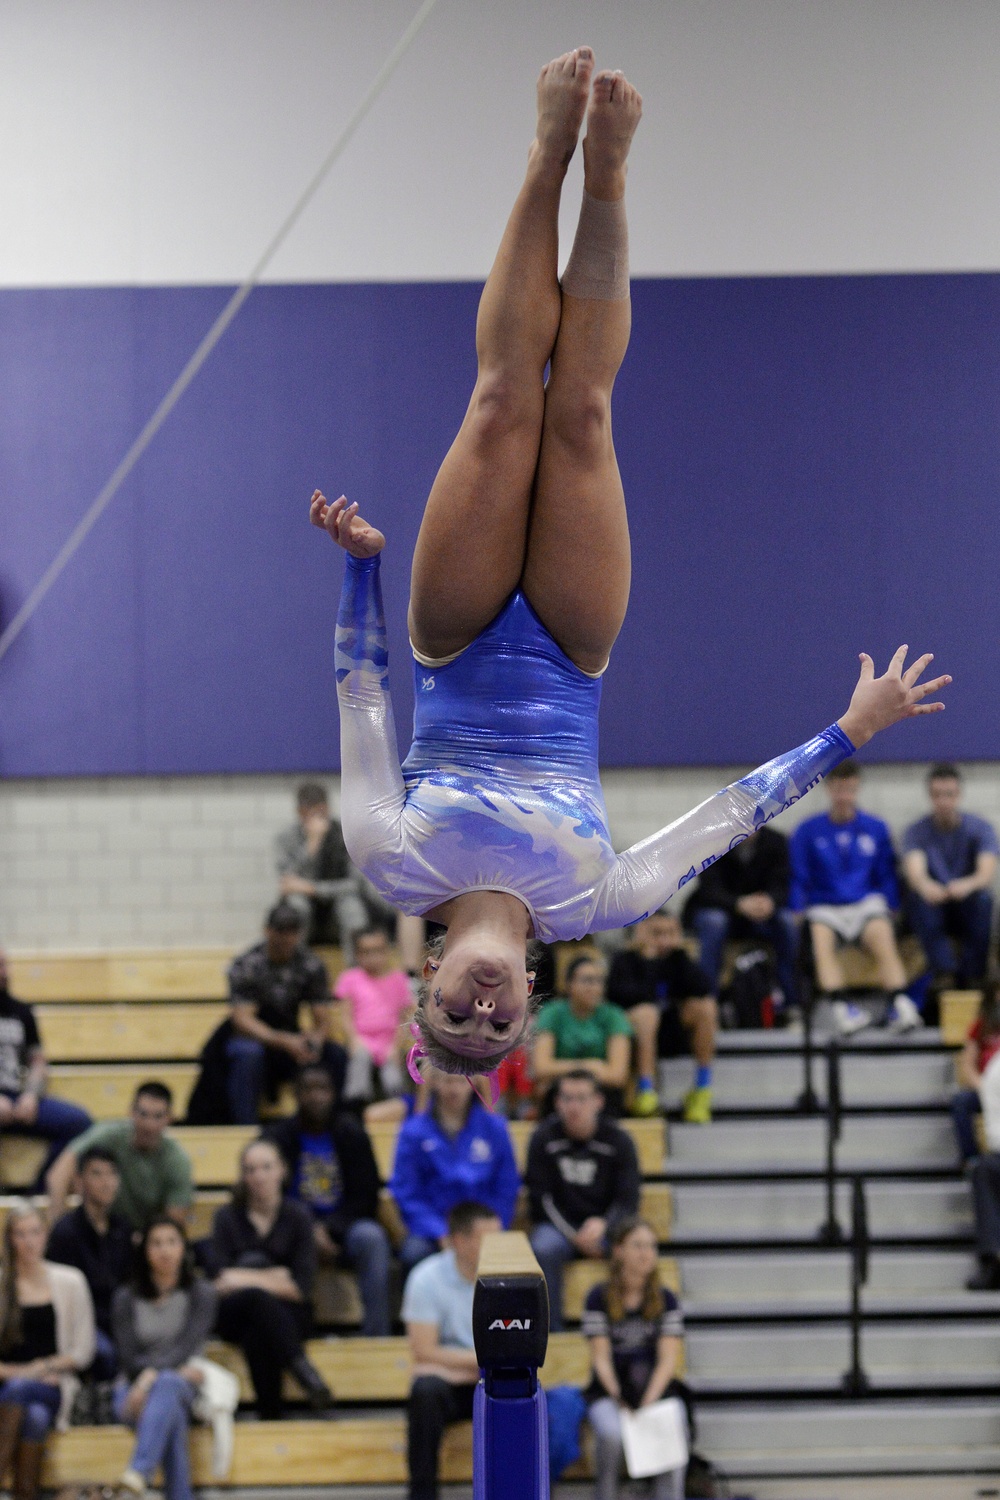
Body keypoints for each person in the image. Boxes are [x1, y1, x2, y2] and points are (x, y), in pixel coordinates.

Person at [308, 48, 948, 1089]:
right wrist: (852, 731)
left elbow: (361, 697)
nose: (479, 1009)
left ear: (424, 981)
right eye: (495, 1026)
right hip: (570, 651)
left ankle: (544, 152)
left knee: (505, 398)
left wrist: (358, 573)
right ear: (533, 1001)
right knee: (585, 413)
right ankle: (605, 175)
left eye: (454, 1019)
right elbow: (729, 816)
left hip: (452, 635)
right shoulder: (596, 901)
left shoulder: (388, 861)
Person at [790, 761, 919, 1035]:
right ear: (829, 789)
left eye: (849, 789)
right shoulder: (808, 831)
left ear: (857, 789)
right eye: (838, 789)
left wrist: (891, 904)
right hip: (825, 905)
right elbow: (799, 876)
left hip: (865, 902)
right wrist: (797, 907)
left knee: (881, 932)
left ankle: (898, 1001)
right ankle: (841, 1007)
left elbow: (885, 873)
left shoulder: (875, 828)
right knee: (819, 936)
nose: (844, 795)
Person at [263, 1064, 392, 1336]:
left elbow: (365, 1195)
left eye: (323, 1089)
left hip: (344, 1228)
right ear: (296, 1095)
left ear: (334, 1094)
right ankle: (299, 1334)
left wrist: (330, 1228)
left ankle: (376, 1337)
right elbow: (269, 1197)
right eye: (308, 1089)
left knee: (372, 1238)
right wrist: (308, 1229)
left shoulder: (352, 1133)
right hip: (293, 1230)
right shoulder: (277, 1137)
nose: (315, 1096)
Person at [207, 1138, 332, 1418]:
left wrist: (243, 1276)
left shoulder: (299, 1217)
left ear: (282, 1171)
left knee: (259, 1327)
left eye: (266, 1167)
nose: (258, 1176)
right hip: (232, 1313)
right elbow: (219, 1279)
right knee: (256, 1302)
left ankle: (271, 1415)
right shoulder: (227, 1217)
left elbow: (301, 1287)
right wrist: (274, 1276)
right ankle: (303, 1371)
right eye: (250, 1169)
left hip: (287, 1314)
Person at [526, 1069, 641, 1331]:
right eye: (566, 1098)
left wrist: (605, 1226)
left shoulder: (619, 1140)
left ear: (598, 1101)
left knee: (635, 1245)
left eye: (581, 1098)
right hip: (559, 1228)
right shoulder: (543, 1138)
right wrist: (574, 1234)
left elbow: (627, 1199)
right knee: (543, 1247)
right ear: (557, 1102)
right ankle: (551, 1333)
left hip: (604, 1227)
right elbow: (540, 1200)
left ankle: (627, 1332)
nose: (573, 1106)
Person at [402, 1201, 501, 1500]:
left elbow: (513, 1354)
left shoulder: (508, 1278)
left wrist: (462, 1366)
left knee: (525, 1389)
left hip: (491, 1378)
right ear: (459, 1240)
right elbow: (423, 1352)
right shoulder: (426, 1278)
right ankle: (422, 1494)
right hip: (453, 1387)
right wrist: (482, 1364)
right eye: (488, 1239)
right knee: (425, 1390)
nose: (497, 1247)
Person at [111, 1218, 216, 1500]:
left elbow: (186, 1348)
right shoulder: (125, 1297)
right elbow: (129, 1356)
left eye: (172, 1242)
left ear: (184, 1248)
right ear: (145, 1250)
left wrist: (151, 1377)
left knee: (169, 1384)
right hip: (133, 1388)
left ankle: (138, 1472)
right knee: (171, 1411)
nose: (165, 1250)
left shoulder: (202, 1292)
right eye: (156, 1243)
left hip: (185, 1385)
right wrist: (146, 1381)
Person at [583, 1215, 686, 1500]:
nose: (647, 1254)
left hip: (654, 1393)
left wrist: (647, 1402)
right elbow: (600, 1358)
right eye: (638, 1245)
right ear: (619, 1251)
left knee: (672, 1423)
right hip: (609, 1394)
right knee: (611, 1434)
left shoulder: (666, 1299)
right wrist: (621, 1398)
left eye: (652, 1246)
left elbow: (667, 1361)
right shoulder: (598, 1297)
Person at [0, 1203, 95, 1500]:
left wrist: (41, 1369)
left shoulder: (70, 1280)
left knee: (22, 1392)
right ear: (9, 1240)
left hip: (53, 1386)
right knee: (36, 1417)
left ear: (45, 1235)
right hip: (8, 1386)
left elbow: (82, 1352)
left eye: (35, 1233)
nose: (29, 1242)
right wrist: (26, 1373)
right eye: (20, 1234)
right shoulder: (2, 1284)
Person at [223, 901, 347, 1125]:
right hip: (257, 1039)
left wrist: (315, 1041)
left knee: (335, 1055)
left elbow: (322, 1017)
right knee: (247, 1055)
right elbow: (242, 1020)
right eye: (281, 931)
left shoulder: (310, 964)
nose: (286, 939)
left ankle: (332, 1124)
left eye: (292, 932)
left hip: (290, 1038)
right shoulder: (248, 964)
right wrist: (283, 1041)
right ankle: (244, 1127)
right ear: (268, 931)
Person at [388, 1067, 520, 1275]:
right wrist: (439, 1231)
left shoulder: (495, 1128)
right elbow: (407, 1192)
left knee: (514, 1258)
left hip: (484, 1227)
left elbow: (506, 1187)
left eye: (462, 1082)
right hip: (432, 1231)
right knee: (414, 1254)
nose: (454, 1090)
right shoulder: (413, 1131)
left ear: (474, 1083)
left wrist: (488, 1229)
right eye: (447, 1081)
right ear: (434, 1083)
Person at [606, 912, 716, 1122]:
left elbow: (703, 987)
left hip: (672, 1031)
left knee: (706, 1007)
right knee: (647, 1013)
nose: (664, 940)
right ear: (641, 933)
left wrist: (679, 954)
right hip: (637, 1036)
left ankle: (702, 1088)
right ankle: (645, 1090)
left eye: (670, 933)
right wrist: (649, 961)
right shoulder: (625, 960)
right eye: (656, 933)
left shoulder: (678, 958)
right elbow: (619, 995)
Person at [902, 764, 998, 992]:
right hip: (936, 904)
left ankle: (973, 975)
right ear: (930, 797)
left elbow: (985, 873)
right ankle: (944, 972)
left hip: (967, 903)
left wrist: (967, 885)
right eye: (937, 795)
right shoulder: (917, 831)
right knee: (916, 899)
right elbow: (916, 873)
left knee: (984, 899)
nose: (943, 801)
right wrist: (927, 887)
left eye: (949, 794)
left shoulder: (980, 828)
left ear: (959, 795)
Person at [46, 1082, 193, 1230]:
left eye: (158, 1116)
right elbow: (58, 1174)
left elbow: (173, 1222)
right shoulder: (110, 1135)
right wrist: (58, 1228)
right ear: (131, 1112)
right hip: (102, 1235)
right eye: (143, 1114)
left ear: (169, 1118)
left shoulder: (177, 1161)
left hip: (147, 1241)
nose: (149, 1125)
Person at [0, 949, 92, 1185]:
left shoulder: (21, 1011)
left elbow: (38, 1062)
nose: (4, 973)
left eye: (5, 965)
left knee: (79, 1123)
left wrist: (31, 1095)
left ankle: (40, 1191)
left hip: (16, 1099)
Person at [683, 826, 799, 1006]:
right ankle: (708, 999)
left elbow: (783, 882)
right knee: (714, 922)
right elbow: (709, 889)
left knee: (787, 922)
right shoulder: (714, 841)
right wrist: (738, 903)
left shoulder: (776, 840)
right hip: (722, 909)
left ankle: (791, 999)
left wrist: (770, 901)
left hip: (761, 913)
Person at [46, 1145, 133, 1378]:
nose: (106, 1182)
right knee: (105, 1354)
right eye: (97, 1174)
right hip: (82, 1324)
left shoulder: (123, 1228)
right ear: (79, 1181)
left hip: (120, 1319)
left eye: (112, 1174)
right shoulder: (66, 1233)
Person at [275, 781, 372, 951]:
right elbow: (287, 885)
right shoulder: (286, 839)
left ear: (327, 809)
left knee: (352, 908)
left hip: (336, 914)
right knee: (296, 905)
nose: (316, 820)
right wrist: (312, 844)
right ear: (299, 813)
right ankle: (296, 967)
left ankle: (356, 974)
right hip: (306, 918)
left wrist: (312, 888)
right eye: (309, 815)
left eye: (320, 813)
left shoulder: (346, 835)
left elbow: (356, 885)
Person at [532, 954, 631, 1116]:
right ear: (569, 984)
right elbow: (541, 1067)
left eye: (599, 981)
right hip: (561, 1093)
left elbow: (618, 1075)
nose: (594, 987)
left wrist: (559, 1067)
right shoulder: (552, 1013)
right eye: (587, 981)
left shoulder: (614, 1016)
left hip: (602, 1096)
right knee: (547, 1091)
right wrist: (591, 1066)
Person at [334, 927, 414, 1103]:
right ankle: (356, 1106)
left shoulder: (398, 979)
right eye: (366, 952)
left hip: (389, 1040)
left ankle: (397, 1108)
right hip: (362, 1039)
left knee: (392, 1076)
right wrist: (354, 1039)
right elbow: (345, 1015)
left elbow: (404, 1017)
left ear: (387, 951)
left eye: (378, 951)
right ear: (357, 954)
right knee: (360, 1063)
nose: (373, 957)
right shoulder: (350, 978)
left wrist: (395, 1045)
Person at [953, 983, 1000, 1167]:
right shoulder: (982, 1026)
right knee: (961, 1102)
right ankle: (971, 1159)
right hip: (986, 1088)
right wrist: (984, 1087)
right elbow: (967, 1064)